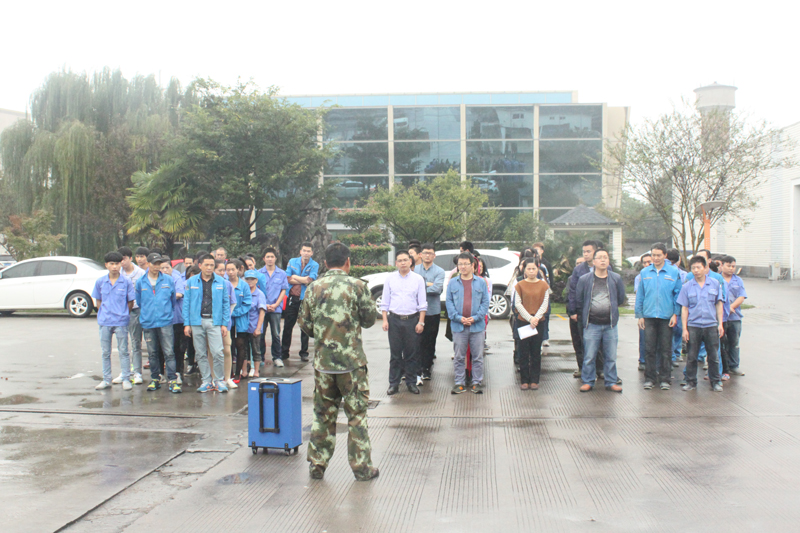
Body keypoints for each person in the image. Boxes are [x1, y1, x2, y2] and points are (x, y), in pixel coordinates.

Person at [298, 242, 379, 481]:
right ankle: (362, 468)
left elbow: (304, 323)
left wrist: (322, 334)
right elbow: (369, 320)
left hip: (323, 364)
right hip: (351, 364)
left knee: (322, 415)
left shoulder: (313, 287)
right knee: (357, 415)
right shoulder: (358, 286)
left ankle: (317, 465)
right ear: (348, 262)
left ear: (325, 263)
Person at [577, 249, 626, 393]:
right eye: (600, 257)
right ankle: (588, 381)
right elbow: (580, 300)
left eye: (605, 257)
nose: (603, 260)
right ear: (594, 261)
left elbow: (620, 298)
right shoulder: (585, 279)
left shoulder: (616, 278)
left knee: (610, 356)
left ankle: (611, 381)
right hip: (592, 324)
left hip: (610, 324)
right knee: (589, 356)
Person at [635, 243, 682, 390]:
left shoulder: (673, 272)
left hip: (666, 316)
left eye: (658, 255)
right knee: (649, 348)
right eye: (653, 255)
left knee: (665, 349)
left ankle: (665, 379)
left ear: (665, 256)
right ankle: (650, 378)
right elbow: (640, 294)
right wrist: (640, 315)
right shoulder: (645, 272)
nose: (655, 258)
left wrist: (675, 314)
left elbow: (678, 294)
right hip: (649, 315)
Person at [183, 253, 231, 393]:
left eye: (212, 265)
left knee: (217, 352)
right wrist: (187, 324)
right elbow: (186, 304)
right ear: (200, 265)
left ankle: (219, 380)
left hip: (214, 321)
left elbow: (226, 304)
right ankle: (206, 381)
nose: (209, 268)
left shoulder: (221, 282)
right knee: (200, 353)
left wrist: (224, 324)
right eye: (206, 265)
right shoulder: (191, 282)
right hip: (196, 321)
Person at [381, 250, 427, 395]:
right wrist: (384, 320)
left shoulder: (418, 279)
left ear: (410, 261)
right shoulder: (390, 279)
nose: (403, 263)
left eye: (405, 260)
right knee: (395, 354)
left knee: (411, 354)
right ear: (396, 263)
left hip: (412, 320)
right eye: (400, 261)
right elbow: (385, 302)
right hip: (394, 320)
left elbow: (422, 303)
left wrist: (421, 322)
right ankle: (393, 383)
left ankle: (411, 382)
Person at [678, 256, 724, 392]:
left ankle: (715, 381)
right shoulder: (687, 286)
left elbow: (719, 304)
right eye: (693, 268)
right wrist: (684, 329)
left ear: (705, 268)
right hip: (694, 326)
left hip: (711, 325)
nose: (696, 270)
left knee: (713, 356)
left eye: (698, 267)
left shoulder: (715, 284)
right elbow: (684, 308)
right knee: (692, 356)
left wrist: (720, 324)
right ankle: (691, 382)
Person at [446, 252, 490, 395]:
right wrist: (458, 318)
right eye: (460, 264)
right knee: (459, 356)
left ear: (472, 265)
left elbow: (485, 302)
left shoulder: (481, 282)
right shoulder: (453, 282)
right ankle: (459, 383)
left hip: (477, 326)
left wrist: (476, 317)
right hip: (458, 326)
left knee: (477, 356)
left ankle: (476, 382)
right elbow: (449, 302)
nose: (463, 267)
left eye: (466, 264)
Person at [92, 252, 136, 390]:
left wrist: (124, 314)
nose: (115, 267)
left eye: (117, 264)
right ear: (106, 265)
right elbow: (98, 301)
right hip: (105, 321)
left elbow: (130, 301)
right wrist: (103, 313)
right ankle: (106, 380)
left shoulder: (126, 282)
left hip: (121, 321)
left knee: (124, 351)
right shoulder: (100, 282)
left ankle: (126, 378)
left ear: (120, 264)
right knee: (105, 352)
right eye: (111, 264)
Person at [136, 254, 179, 393]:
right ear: (148, 263)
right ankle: (155, 379)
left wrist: (166, 313)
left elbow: (172, 300)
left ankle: (172, 380)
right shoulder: (141, 281)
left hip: (165, 321)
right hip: (148, 322)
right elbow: (140, 301)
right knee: (152, 353)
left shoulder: (168, 280)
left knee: (169, 352)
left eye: (159, 263)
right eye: (154, 263)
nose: (156, 266)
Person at [567, 241, 605, 380]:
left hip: (600, 311)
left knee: (600, 342)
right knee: (582, 341)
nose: (586, 254)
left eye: (588, 251)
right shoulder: (578, 270)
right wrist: (573, 311)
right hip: (583, 311)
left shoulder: (605, 267)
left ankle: (601, 369)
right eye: (584, 251)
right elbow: (572, 291)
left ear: (595, 252)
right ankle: (584, 369)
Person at [513, 259, 549, 390]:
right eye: (529, 269)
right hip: (523, 322)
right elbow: (518, 304)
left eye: (534, 268)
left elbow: (545, 304)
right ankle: (524, 380)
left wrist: (536, 318)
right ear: (524, 270)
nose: (532, 271)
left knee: (535, 352)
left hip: (539, 322)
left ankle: (534, 380)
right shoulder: (520, 285)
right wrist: (529, 318)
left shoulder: (543, 285)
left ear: (538, 269)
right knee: (523, 351)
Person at [282, 242, 319, 362]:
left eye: (308, 251)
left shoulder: (314, 265)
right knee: (288, 326)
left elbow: (309, 280)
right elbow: (287, 278)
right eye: (304, 250)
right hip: (292, 298)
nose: (306, 253)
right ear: (300, 251)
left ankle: (304, 352)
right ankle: (284, 352)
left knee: (305, 327)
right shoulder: (292, 261)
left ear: (312, 253)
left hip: (305, 299)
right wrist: (301, 279)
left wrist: (295, 277)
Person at [115, 246, 146, 385]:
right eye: (119, 260)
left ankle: (137, 372)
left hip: (136, 310)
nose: (122, 262)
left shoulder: (141, 273)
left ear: (130, 258)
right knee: (122, 343)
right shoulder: (117, 273)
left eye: (124, 259)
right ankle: (125, 372)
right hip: (121, 311)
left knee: (136, 342)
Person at [415, 243, 445, 382]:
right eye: (425, 253)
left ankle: (427, 368)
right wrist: (428, 284)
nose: (427, 255)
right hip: (416, 311)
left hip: (433, 311)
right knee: (417, 341)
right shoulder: (414, 270)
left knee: (430, 341)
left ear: (434, 255)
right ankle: (417, 368)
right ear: (420, 255)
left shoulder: (439, 271)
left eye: (430, 253)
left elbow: (437, 289)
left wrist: (420, 286)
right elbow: (411, 288)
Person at [258, 247, 289, 368]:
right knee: (261, 333)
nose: (270, 259)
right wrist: (264, 304)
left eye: (272, 257)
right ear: (263, 259)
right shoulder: (259, 273)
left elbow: (283, 290)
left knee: (276, 334)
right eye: (268, 257)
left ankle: (277, 357)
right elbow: (256, 290)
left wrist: (276, 304)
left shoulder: (282, 273)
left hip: (276, 309)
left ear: (276, 258)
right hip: (262, 308)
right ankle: (260, 357)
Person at [720, 256, 747, 378]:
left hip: (734, 317)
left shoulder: (738, 280)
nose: (731, 268)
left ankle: (734, 366)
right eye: (728, 266)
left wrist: (730, 307)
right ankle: (719, 367)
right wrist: (724, 308)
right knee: (720, 343)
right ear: (722, 266)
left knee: (734, 342)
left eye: (733, 266)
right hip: (720, 318)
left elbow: (741, 296)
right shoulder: (716, 279)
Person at [226, 259, 252, 388]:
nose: (230, 272)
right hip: (227, 320)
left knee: (241, 345)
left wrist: (235, 312)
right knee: (228, 346)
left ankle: (238, 373)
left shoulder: (244, 285)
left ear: (238, 270)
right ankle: (229, 373)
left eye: (233, 269)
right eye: (228, 270)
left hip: (240, 319)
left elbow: (247, 303)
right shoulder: (224, 284)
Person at [160, 257, 186, 384]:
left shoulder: (176, 278)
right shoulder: (155, 279)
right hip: (160, 318)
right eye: (162, 268)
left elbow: (179, 294)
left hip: (176, 318)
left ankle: (178, 372)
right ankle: (160, 373)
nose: (165, 270)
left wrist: (162, 298)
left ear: (171, 268)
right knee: (160, 348)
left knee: (177, 348)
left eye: (167, 267)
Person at [240, 270, 267, 379]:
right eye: (247, 279)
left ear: (256, 280)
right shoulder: (242, 293)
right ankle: (244, 371)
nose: (250, 281)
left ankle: (256, 371)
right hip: (243, 326)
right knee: (243, 350)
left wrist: (258, 328)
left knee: (256, 349)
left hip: (254, 326)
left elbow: (262, 312)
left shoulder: (260, 294)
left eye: (252, 279)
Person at [215, 259, 237, 385]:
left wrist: (226, 317)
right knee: (213, 351)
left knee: (227, 350)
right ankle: (214, 378)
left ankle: (227, 378)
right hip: (211, 322)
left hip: (225, 323)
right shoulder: (208, 284)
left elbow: (232, 303)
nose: (222, 273)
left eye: (224, 270)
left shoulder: (227, 284)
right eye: (220, 270)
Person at [666, 248, 687, 366]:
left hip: (681, 306)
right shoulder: (668, 272)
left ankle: (676, 353)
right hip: (671, 306)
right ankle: (672, 355)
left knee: (678, 331)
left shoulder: (684, 274)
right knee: (671, 332)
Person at [633, 253, 653, 371]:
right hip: (645, 312)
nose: (647, 264)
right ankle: (643, 360)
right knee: (644, 338)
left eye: (649, 262)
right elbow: (639, 296)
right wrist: (639, 314)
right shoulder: (639, 277)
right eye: (644, 262)